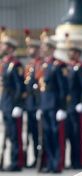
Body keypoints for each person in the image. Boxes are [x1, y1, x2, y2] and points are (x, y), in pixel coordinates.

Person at [38, 34, 68, 174]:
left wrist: (62, 107)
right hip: (45, 104)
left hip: (55, 104)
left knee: (56, 135)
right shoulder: (43, 64)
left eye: (44, 47)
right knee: (47, 135)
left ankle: (57, 164)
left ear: (51, 48)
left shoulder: (58, 65)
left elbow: (63, 88)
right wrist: (40, 106)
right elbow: (40, 87)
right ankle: (49, 163)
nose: (42, 49)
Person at [64, 37, 82, 170]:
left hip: (76, 106)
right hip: (67, 106)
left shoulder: (81, 67)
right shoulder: (66, 66)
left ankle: (79, 161)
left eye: (74, 51)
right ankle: (71, 160)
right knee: (69, 134)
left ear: (78, 53)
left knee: (78, 135)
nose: (71, 53)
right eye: (69, 51)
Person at [0, 31, 25, 172]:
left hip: (12, 104)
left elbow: (19, 87)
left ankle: (16, 161)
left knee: (15, 134)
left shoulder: (15, 65)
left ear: (10, 48)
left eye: (4, 45)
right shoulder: (4, 63)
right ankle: (9, 159)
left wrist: (17, 105)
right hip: (5, 103)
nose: (2, 47)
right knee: (9, 134)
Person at [23, 29, 42, 168]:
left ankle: (41, 159)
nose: (30, 50)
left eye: (33, 47)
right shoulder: (29, 65)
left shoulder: (40, 64)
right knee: (31, 134)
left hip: (37, 104)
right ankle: (35, 158)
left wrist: (39, 106)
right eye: (29, 47)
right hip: (29, 104)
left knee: (39, 134)